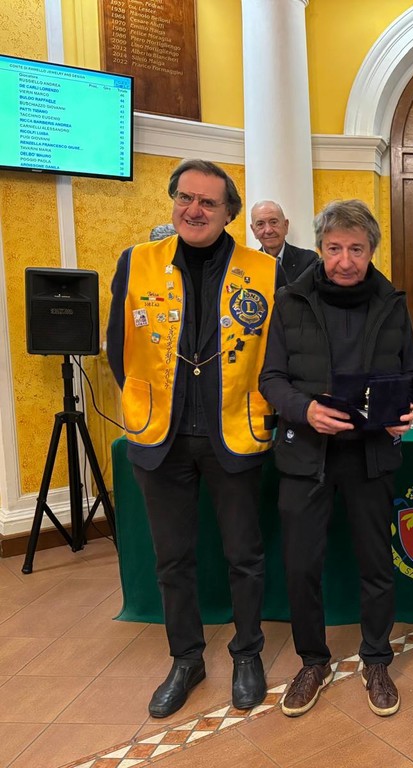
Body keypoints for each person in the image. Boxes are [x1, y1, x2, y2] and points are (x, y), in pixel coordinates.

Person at [107, 158, 281, 718]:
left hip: (234, 431)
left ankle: (247, 654)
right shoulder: (137, 261)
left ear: (229, 212)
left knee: (244, 557)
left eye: (208, 201)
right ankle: (186, 659)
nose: (194, 209)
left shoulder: (264, 271)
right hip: (162, 437)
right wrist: (147, 400)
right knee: (173, 560)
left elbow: (276, 355)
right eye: (185, 197)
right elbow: (118, 348)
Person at [259, 199, 413, 718]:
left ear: (371, 251)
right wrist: (305, 410)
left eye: (356, 249)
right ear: (320, 248)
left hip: (370, 456)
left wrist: (403, 411)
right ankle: (313, 662)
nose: (344, 260)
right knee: (302, 566)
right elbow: (270, 379)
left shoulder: (392, 302)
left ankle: (376, 660)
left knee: (377, 565)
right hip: (307, 454)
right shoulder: (290, 300)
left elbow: (409, 375)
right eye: (333, 249)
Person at [250, 199, 319, 283]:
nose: (268, 230)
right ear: (253, 230)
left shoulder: (308, 260)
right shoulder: (248, 265)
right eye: (260, 224)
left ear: (286, 225)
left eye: (273, 222)